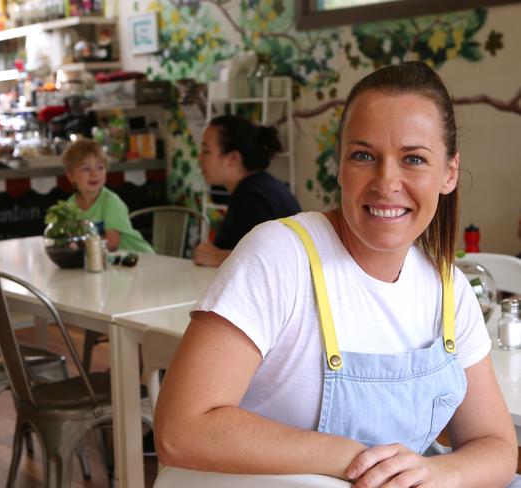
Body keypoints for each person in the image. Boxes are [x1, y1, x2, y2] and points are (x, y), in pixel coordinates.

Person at [155, 62, 519, 487]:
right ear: (340, 166)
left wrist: (438, 473)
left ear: (449, 173)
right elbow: (180, 431)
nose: (386, 182)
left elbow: (495, 444)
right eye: (364, 156)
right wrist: (358, 459)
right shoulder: (281, 256)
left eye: (414, 159)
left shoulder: (449, 290)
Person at [193, 115, 301, 267]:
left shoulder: (251, 199)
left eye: (206, 151)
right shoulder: (263, 186)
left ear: (232, 158)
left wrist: (217, 257)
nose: (199, 157)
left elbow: (268, 262)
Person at [62, 138, 154, 253]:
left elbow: (111, 244)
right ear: (71, 176)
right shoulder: (70, 206)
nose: (94, 174)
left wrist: (79, 246)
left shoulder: (110, 202)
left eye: (100, 167)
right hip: (107, 263)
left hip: (140, 259)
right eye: (85, 169)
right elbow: (69, 238)